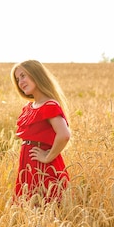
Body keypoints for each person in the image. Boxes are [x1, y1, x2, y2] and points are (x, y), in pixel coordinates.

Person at [10, 60, 70, 204]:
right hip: (28, 166)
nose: (20, 82)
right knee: (27, 213)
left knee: (45, 213)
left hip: (43, 168)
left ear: (36, 74)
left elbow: (64, 135)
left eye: (23, 75)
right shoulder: (29, 107)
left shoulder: (49, 105)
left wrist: (47, 157)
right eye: (18, 79)